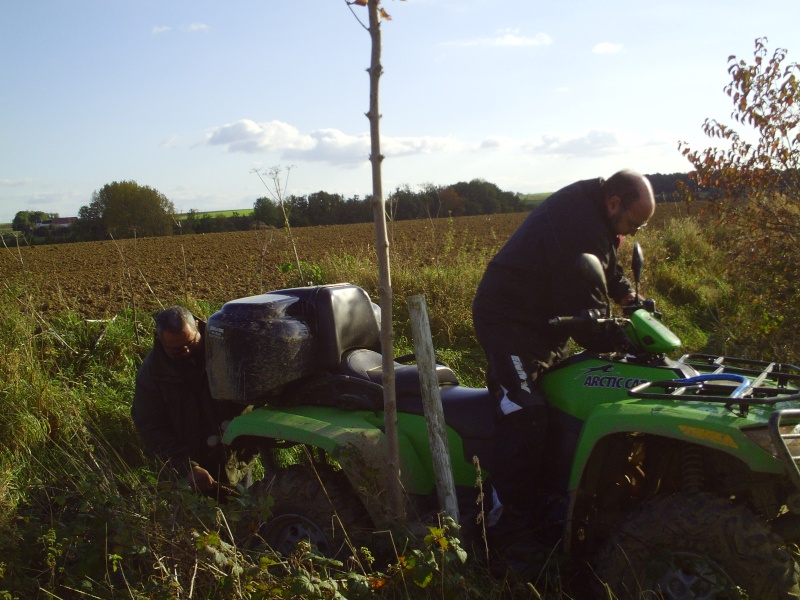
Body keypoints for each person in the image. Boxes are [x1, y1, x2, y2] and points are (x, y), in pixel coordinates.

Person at [472, 170, 656, 525]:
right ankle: (501, 521)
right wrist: (617, 335)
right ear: (615, 202)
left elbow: (605, 266)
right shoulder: (577, 222)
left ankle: (553, 494)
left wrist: (631, 300)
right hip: (509, 321)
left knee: (564, 401)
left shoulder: (596, 211)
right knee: (524, 412)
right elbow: (584, 310)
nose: (633, 232)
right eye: (634, 223)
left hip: (546, 325)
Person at [132, 305, 257, 494]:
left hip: (236, 458)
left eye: (191, 344)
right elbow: (152, 429)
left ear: (197, 326)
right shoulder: (151, 376)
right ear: (160, 340)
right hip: (191, 471)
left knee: (246, 512)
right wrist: (187, 468)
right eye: (177, 351)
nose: (187, 352)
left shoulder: (228, 348)